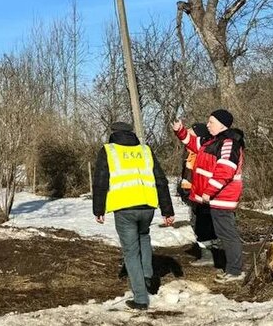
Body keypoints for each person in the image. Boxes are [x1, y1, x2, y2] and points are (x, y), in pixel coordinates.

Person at [93, 121, 176, 311]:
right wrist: (167, 210)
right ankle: (147, 276)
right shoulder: (145, 150)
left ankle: (140, 299)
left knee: (130, 252)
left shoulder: (109, 150)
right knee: (144, 237)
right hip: (147, 205)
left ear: (113, 133)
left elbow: (100, 181)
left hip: (124, 208)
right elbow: (160, 179)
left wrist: (98, 209)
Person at [173, 110, 245, 284]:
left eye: (211, 121)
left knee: (227, 234)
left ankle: (235, 271)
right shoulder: (210, 141)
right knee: (223, 232)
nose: (207, 125)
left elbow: (225, 171)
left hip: (223, 197)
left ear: (221, 124)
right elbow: (192, 143)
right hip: (214, 197)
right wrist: (180, 130)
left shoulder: (228, 143)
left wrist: (209, 191)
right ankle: (231, 268)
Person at [179, 123, 218, 267]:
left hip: (201, 195)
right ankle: (210, 252)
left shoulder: (201, 153)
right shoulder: (190, 153)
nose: (187, 136)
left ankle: (209, 254)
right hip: (193, 194)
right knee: (201, 224)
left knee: (204, 225)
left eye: (191, 133)